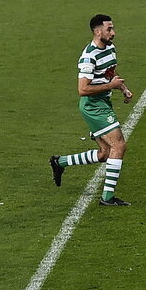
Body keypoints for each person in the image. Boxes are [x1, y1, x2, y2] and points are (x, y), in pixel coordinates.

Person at [50, 14, 134, 206]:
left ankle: (59, 162)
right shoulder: (88, 56)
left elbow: (110, 74)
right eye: (109, 29)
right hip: (93, 106)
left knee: (105, 153)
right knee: (119, 146)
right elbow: (83, 90)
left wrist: (123, 88)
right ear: (98, 31)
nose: (113, 33)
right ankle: (107, 198)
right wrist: (111, 86)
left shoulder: (110, 48)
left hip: (103, 103)